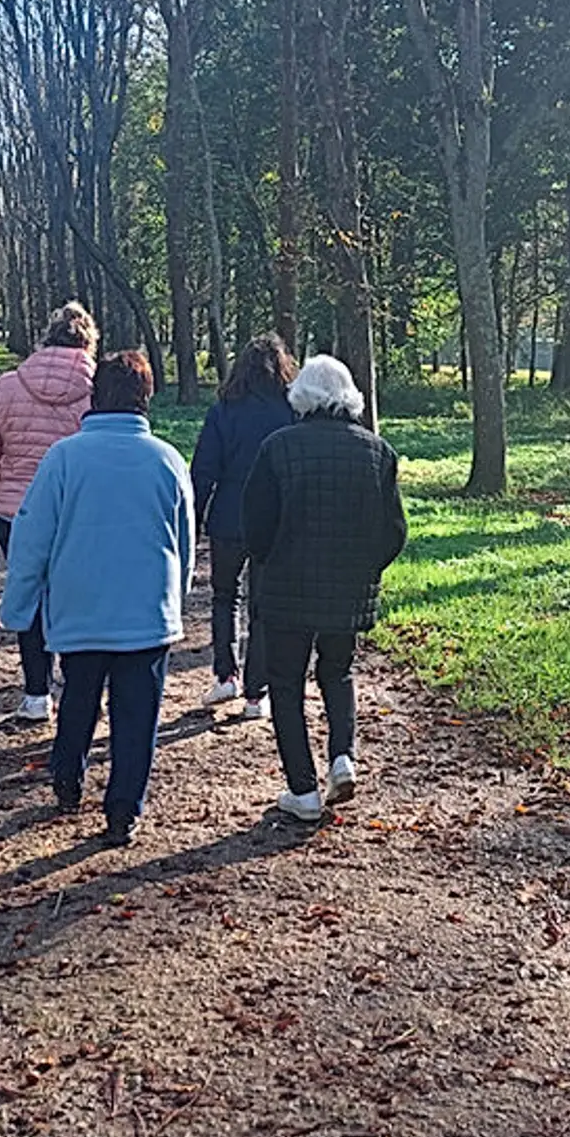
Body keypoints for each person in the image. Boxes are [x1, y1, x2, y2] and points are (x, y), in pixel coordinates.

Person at [0, 351, 195, 847]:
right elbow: (186, 542)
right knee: (137, 718)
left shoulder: (64, 458)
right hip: (147, 615)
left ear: (94, 396)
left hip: (79, 607)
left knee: (78, 699)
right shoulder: (168, 461)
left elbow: (31, 538)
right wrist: (178, 597)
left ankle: (67, 778)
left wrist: (19, 607)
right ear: (146, 399)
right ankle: (123, 810)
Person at [243, 355, 407, 823]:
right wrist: (365, 568)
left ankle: (303, 790)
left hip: (285, 588)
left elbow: (255, 523)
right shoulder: (378, 452)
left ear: (303, 396)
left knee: (286, 682)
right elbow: (394, 529)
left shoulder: (278, 448)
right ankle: (343, 756)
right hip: (347, 588)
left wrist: (268, 560)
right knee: (338, 672)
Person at [0, 301, 98, 722]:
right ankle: (75, 688)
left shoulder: (7, 385)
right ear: (88, 341)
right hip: (76, 513)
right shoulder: (100, 387)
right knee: (73, 599)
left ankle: (37, 692)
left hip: (15, 511)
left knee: (31, 596)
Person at [189, 334, 298, 722]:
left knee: (224, 596)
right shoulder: (291, 410)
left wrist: (195, 519)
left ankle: (225, 673)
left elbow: (203, 470)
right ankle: (256, 693)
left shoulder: (224, 410)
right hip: (275, 518)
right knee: (264, 607)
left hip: (229, 516)